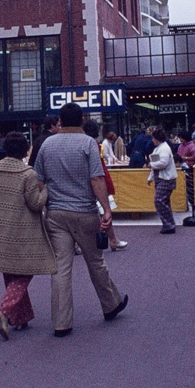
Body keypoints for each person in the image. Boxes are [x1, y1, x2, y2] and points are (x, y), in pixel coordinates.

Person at [34, 102, 128, 337]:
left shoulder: (47, 144)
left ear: (61, 121)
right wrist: (106, 209)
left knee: (61, 267)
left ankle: (61, 323)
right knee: (95, 262)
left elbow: (39, 180)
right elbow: (96, 179)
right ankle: (111, 304)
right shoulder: (87, 143)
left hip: (56, 214)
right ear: (81, 118)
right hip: (85, 211)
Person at [0, 131, 56, 339]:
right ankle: (4, 310)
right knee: (25, 272)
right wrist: (47, 190)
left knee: (10, 272)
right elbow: (36, 203)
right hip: (24, 230)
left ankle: (20, 318)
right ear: (25, 151)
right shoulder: (28, 174)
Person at [83, 119, 127, 251]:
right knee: (105, 212)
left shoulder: (85, 144)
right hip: (98, 182)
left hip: (86, 183)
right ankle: (113, 240)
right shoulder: (95, 145)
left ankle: (111, 240)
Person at [147, 126, 178, 233]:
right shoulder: (158, 148)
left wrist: (151, 165)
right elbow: (157, 166)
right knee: (164, 201)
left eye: (153, 138)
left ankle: (168, 225)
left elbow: (163, 164)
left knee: (159, 200)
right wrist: (150, 177)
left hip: (166, 178)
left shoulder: (164, 148)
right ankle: (169, 224)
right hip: (162, 178)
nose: (152, 140)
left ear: (157, 138)